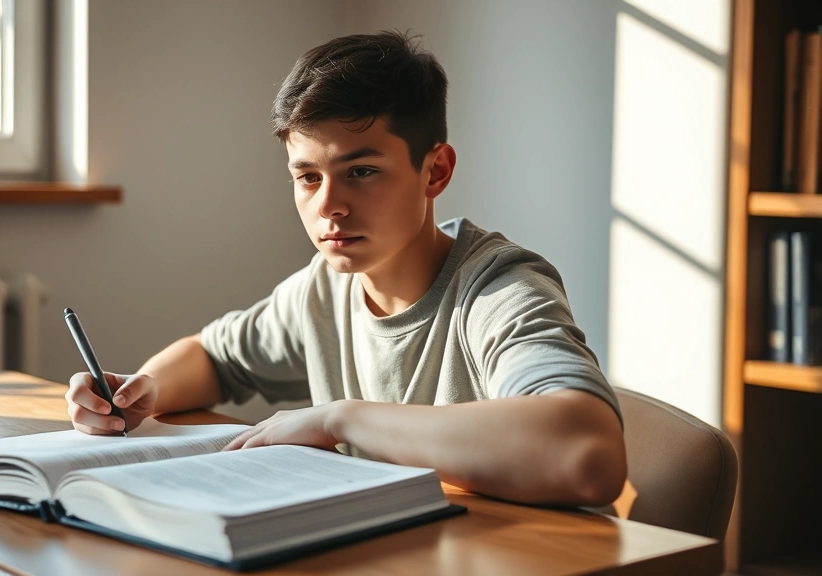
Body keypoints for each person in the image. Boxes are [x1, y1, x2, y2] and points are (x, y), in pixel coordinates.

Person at [65, 30, 626, 507]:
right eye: (308, 177)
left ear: (435, 172)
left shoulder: (498, 290)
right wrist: (140, 392)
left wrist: (341, 420)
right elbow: (214, 356)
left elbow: (587, 454)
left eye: (360, 172)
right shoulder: (326, 286)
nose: (328, 204)